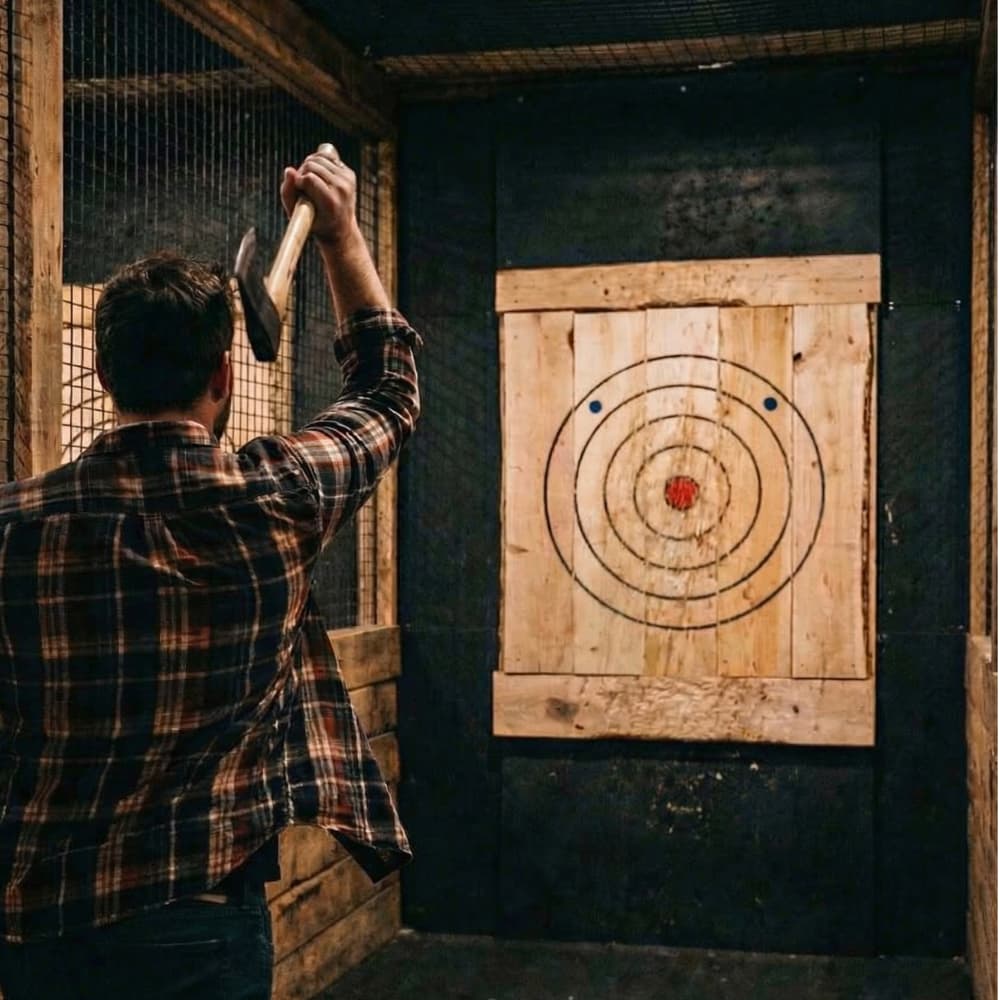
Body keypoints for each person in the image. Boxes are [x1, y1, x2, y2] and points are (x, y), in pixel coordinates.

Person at [0, 145, 419, 998]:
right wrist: (339, 232)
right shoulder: (276, 499)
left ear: (102, 374)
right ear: (225, 374)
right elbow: (387, 392)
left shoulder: (14, 526)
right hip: (201, 922)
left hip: (41, 926)